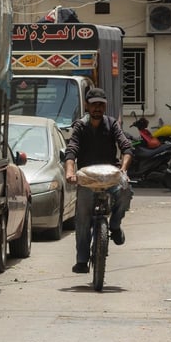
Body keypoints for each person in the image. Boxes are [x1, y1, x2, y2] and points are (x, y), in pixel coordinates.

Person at [64, 88, 133, 273]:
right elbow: (71, 150)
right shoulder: (80, 126)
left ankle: (116, 225)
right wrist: (70, 172)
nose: (97, 108)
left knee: (126, 192)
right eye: (93, 104)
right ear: (87, 105)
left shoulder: (112, 124)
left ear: (105, 107)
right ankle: (81, 260)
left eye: (101, 105)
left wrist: (123, 170)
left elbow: (126, 147)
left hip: (110, 177)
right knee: (83, 218)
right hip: (87, 179)